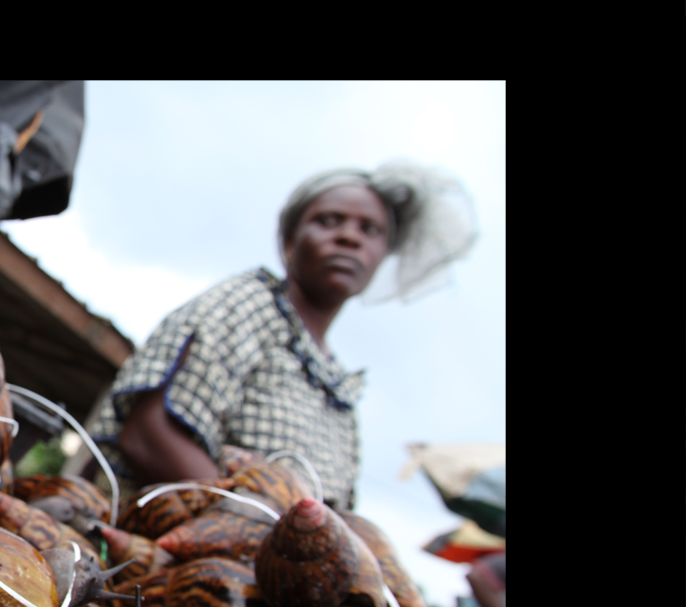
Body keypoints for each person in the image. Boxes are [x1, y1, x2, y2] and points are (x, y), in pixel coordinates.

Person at [88, 161, 478, 511]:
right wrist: (259, 531)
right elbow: (148, 435)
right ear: (290, 242)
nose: (349, 237)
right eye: (329, 221)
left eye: (370, 230)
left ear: (382, 256)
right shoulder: (247, 305)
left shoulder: (339, 391)